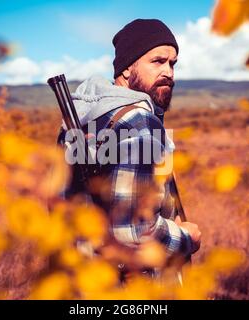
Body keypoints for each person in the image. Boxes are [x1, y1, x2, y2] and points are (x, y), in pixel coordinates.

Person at [57, 19, 201, 278]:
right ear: (125, 69)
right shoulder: (139, 121)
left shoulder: (78, 121)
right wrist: (187, 238)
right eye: (157, 61)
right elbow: (136, 230)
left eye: (172, 63)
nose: (168, 71)